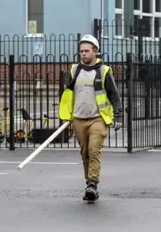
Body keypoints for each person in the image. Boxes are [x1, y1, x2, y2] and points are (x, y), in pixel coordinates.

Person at [58, 34, 123, 202]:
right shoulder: (75, 70)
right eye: (81, 51)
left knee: (94, 151)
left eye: (86, 51)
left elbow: (114, 95)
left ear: (96, 51)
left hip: (98, 119)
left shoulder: (103, 71)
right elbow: (68, 94)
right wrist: (66, 116)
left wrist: (118, 115)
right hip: (79, 118)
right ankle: (89, 184)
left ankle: (93, 184)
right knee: (85, 153)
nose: (83, 54)